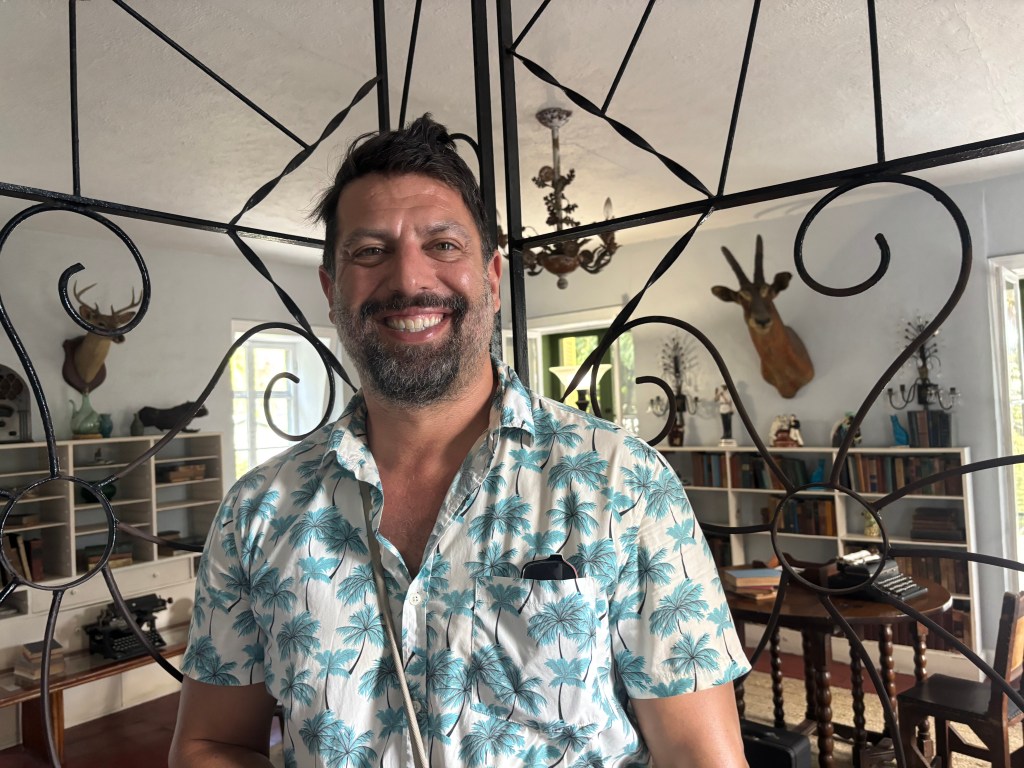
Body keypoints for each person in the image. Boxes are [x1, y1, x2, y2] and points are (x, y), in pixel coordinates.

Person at [169, 115, 749, 768]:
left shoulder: (624, 482)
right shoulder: (257, 512)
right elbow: (209, 745)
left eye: (442, 245)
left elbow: (702, 756)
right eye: (370, 251)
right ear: (331, 290)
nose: (408, 279)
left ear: (493, 279)